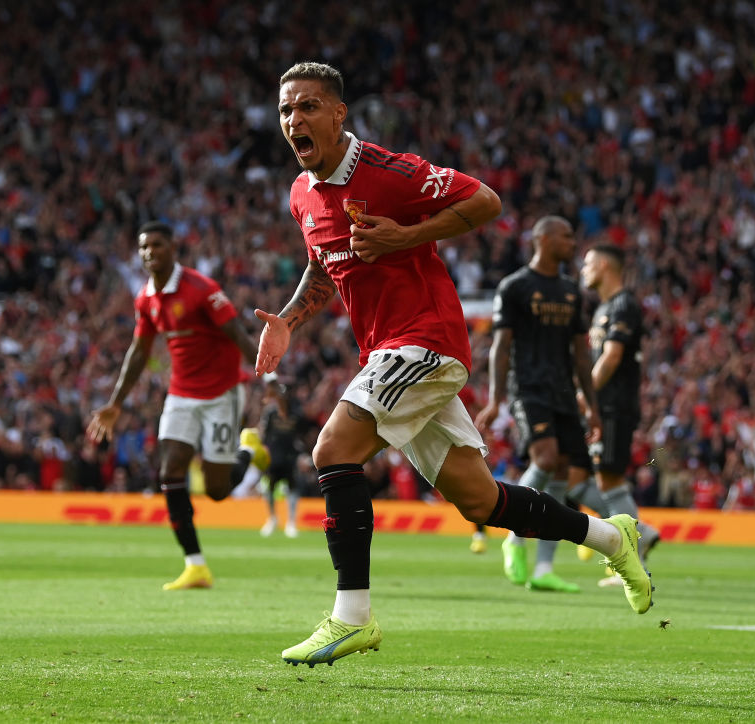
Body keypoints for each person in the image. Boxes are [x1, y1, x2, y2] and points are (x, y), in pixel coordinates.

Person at [255, 62, 653, 668]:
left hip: (426, 341)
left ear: (339, 114)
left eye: (309, 107)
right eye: (286, 110)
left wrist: (404, 237)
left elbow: (485, 201)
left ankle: (350, 616)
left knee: (332, 450)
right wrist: (288, 319)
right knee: (480, 500)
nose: (294, 120)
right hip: (387, 348)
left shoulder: (389, 172)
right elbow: (322, 262)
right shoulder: (302, 194)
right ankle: (610, 536)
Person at [87, 221, 268, 591]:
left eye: (156, 244)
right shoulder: (146, 298)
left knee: (217, 491)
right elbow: (139, 351)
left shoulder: (202, 289)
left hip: (221, 394)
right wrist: (115, 403)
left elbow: (238, 334)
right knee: (170, 473)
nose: (149, 252)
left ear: (173, 248)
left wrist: (269, 378)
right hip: (181, 394)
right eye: (143, 247)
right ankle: (195, 565)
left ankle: (249, 451)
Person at [474, 216, 607, 594]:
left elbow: (581, 355)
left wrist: (591, 405)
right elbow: (501, 346)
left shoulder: (571, 291)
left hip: (564, 391)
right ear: (543, 239)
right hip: (529, 389)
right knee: (545, 460)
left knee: (563, 473)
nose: (572, 242)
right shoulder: (515, 287)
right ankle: (515, 537)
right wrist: (497, 398)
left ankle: (544, 568)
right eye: (566, 236)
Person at [580, 243, 661, 586]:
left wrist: (586, 395)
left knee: (610, 480)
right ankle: (639, 537)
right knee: (599, 479)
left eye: (587, 264)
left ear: (602, 265)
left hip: (614, 405)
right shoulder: (604, 307)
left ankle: (635, 560)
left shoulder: (624, 305)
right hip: (605, 405)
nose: (583, 270)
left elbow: (612, 357)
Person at [257, 373, 309, 538]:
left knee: (292, 487)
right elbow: (263, 433)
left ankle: (291, 522)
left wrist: (302, 454)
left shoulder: (296, 413)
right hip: (274, 456)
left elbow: (302, 435)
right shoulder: (270, 412)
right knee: (269, 487)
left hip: (290, 456)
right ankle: (272, 519)